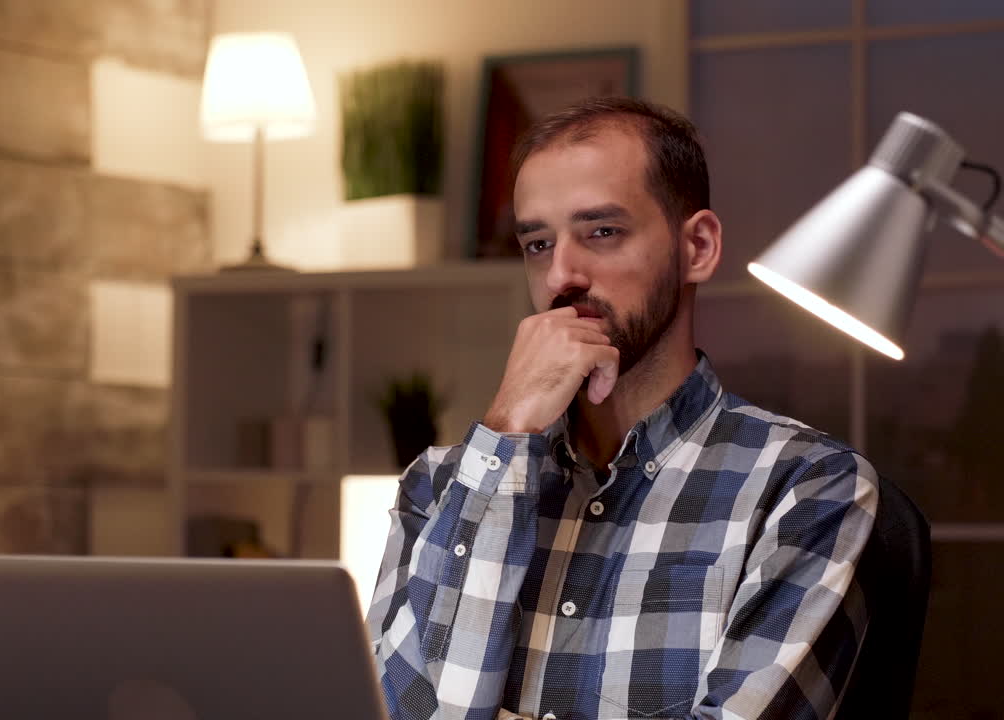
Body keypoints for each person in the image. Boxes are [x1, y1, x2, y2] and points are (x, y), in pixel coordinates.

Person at [367, 97, 878, 720]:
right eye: (536, 243)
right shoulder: (440, 487)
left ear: (698, 247)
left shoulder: (808, 486)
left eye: (602, 232)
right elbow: (401, 712)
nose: (561, 277)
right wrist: (508, 430)